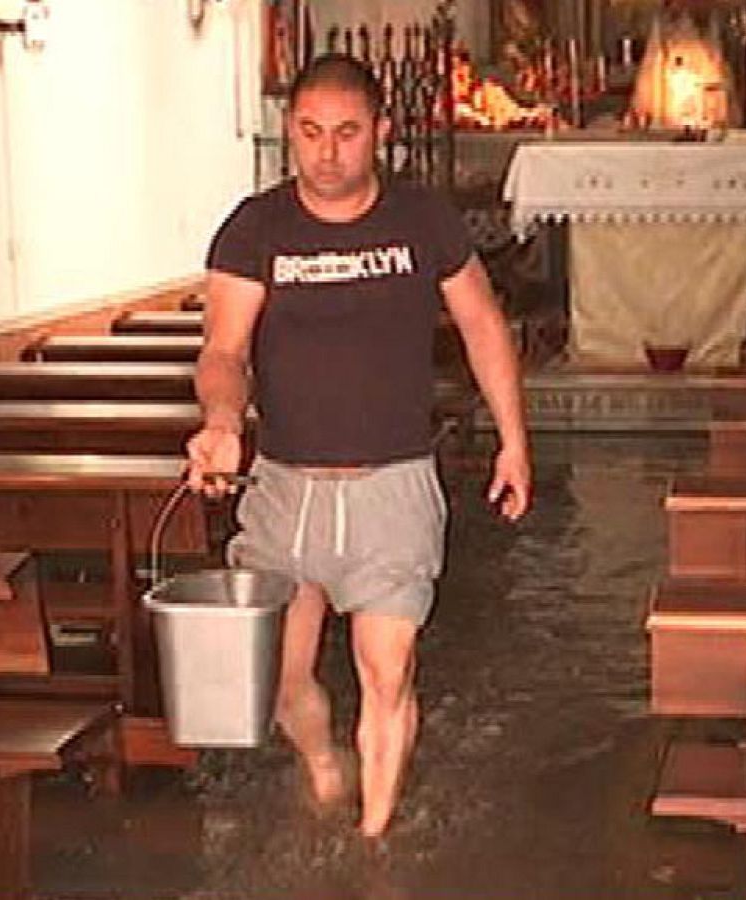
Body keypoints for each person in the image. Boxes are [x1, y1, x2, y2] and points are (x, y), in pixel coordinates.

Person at [186, 53, 531, 839]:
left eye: (346, 132)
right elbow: (224, 352)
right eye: (310, 132)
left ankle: (373, 845)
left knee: (388, 671)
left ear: (380, 131)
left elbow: (481, 322)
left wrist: (514, 441)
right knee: (281, 679)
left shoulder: (421, 220)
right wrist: (220, 421)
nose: (327, 152)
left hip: (393, 487)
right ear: (289, 132)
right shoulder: (255, 227)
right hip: (286, 489)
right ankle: (320, 761)